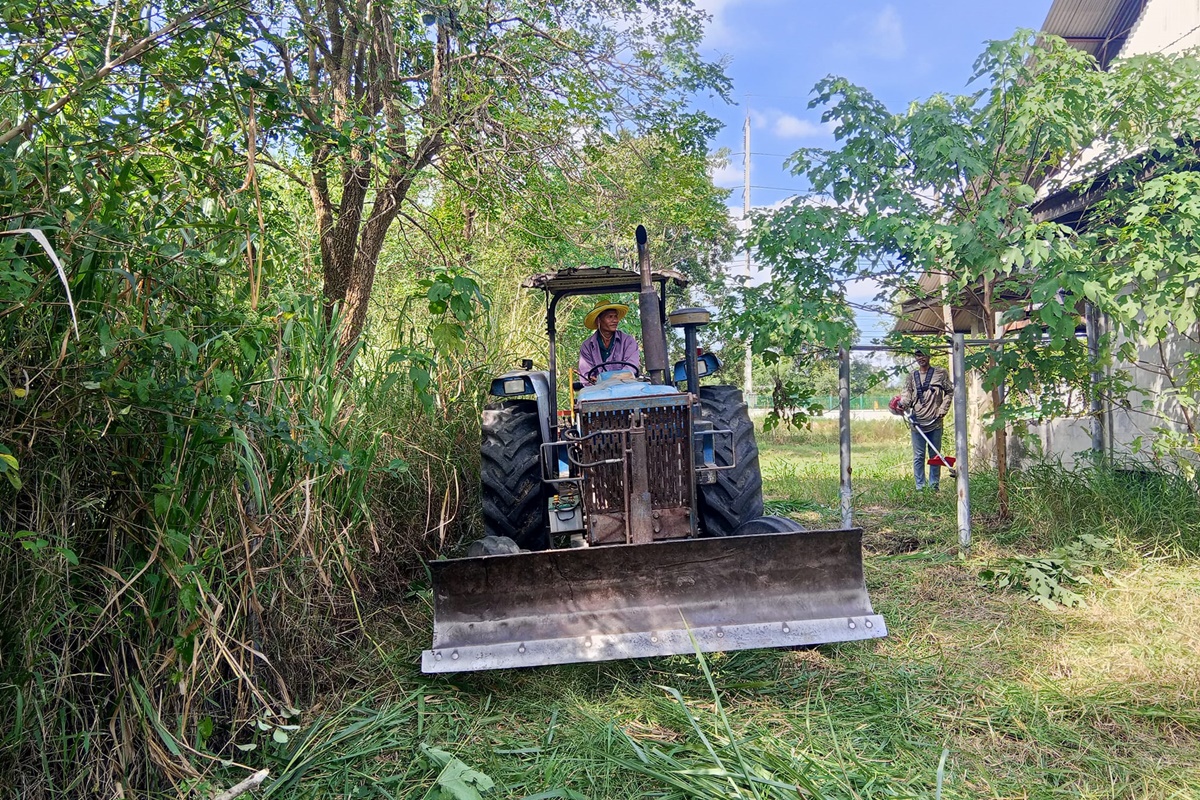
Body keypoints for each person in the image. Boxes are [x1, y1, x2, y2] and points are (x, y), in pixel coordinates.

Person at [899, 348, 953, 490]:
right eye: (917, 355)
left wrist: (943, 409)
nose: (921, 358)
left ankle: (934, 486)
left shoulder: (940, 374)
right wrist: (902, 404)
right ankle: (920, 487)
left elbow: (950, 391)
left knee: (935, 455)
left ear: (929, 355)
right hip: (917, 423)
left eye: (923, 355)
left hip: (935, 421)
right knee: (918, 456)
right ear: (915, 358)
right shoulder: (911, 376)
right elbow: (906, 394)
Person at [578, 300, 640, 385]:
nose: (615, 320)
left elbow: (630, 368)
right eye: (610, 317)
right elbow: (586, 376)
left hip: (625, 388)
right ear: (598, 321)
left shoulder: (628, 342)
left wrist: (611, 379)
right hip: (598, 391)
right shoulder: (587, 346)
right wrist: (595, 381)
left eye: (615, 317)